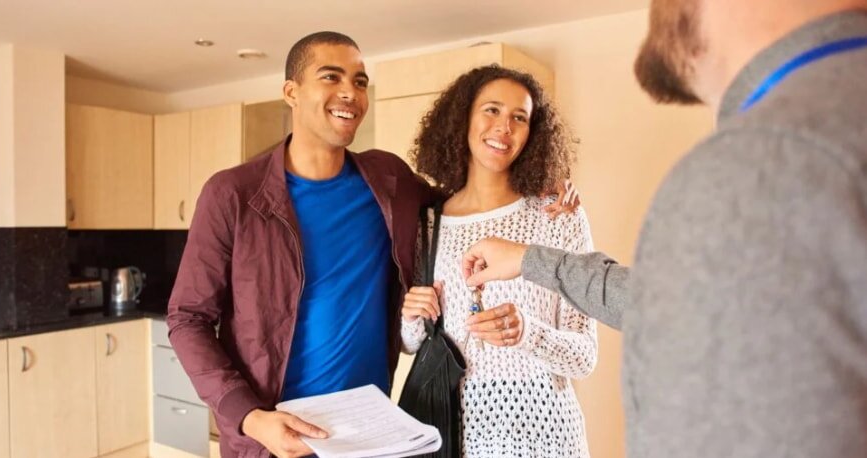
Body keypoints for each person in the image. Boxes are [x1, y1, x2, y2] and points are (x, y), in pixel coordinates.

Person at [461, 1, 867, 456]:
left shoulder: (765, 155)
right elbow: (673, 304)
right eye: (491, 111)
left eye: (519, 116)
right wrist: (529, 260)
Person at [167, 32, 578, 458]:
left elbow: (464, 205)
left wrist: (541, 186)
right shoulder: (233, 194)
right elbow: (187, 319)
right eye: (331, 77)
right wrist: (251, 416)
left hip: (369, 435)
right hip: (274, 436)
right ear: (291, 91)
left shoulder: (388, 180)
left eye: (360, 81)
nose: (350, 92)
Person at [400, 65, 597, 457]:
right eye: (491, 110)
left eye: (519, 117)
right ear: (464, 118)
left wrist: (526, 333)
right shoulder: (428, 222)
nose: (504, 127)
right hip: (455, 435)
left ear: (532, 133)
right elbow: (410, 345)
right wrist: (410, 318)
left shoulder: (557, 215)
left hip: (547, 435)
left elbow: (585, 356)